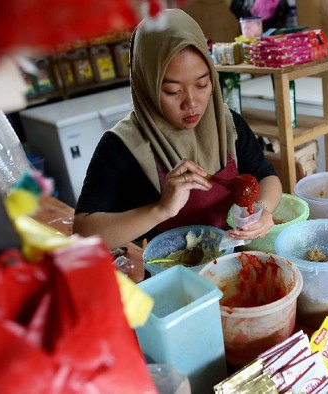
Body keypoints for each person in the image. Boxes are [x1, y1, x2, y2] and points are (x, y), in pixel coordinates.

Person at [73, 9, 282, 250]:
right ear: (147, 84)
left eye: (203, 84)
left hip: (233, 263)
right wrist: (161, 209)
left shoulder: (227, 123)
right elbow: (83, 232)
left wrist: (263, 211)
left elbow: (266, 176)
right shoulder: (122, 145)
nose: (192, 103)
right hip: (172, 278)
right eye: (173, 91)